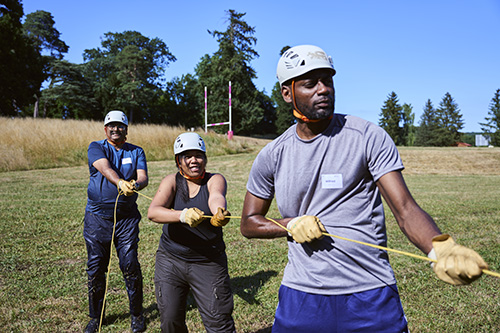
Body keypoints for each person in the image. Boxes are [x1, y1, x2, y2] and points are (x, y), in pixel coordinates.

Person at [240, 45, 489, 332]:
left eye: (328, 81)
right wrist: (289, 224)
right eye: (310, 84)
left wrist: (441, 249)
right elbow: (248, 223)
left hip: (370, 294)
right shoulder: (272, 155)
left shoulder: (367, 137)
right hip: (302, 295)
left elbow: (405, 209)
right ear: (287, 92)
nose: (323, 90)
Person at [147, 132, 236, 333]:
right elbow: (153, 212)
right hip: (171, 259)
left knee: (219, 322)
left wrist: (218, 211)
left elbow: (216, 196)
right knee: (170, 320)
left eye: (198, 155)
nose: (194, 160)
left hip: (208, 261)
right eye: (188, 156)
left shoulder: (215, 179)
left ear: (205, 158)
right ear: (179, 160)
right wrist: (183, 215)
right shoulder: (171, 181)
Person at [83, 110, 148, 333]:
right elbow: (104, 167)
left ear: (126, 129)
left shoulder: (137, 151)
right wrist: (120, 182)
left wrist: (136, 186)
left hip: (127, 219)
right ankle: (95, 317)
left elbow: (143, 177)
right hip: (97, 218)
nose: (115, 128)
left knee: (129, 264)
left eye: (120, 125)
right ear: (105, 129)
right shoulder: (96, 147)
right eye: (111, 125)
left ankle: (137, 315)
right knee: (96, 267)